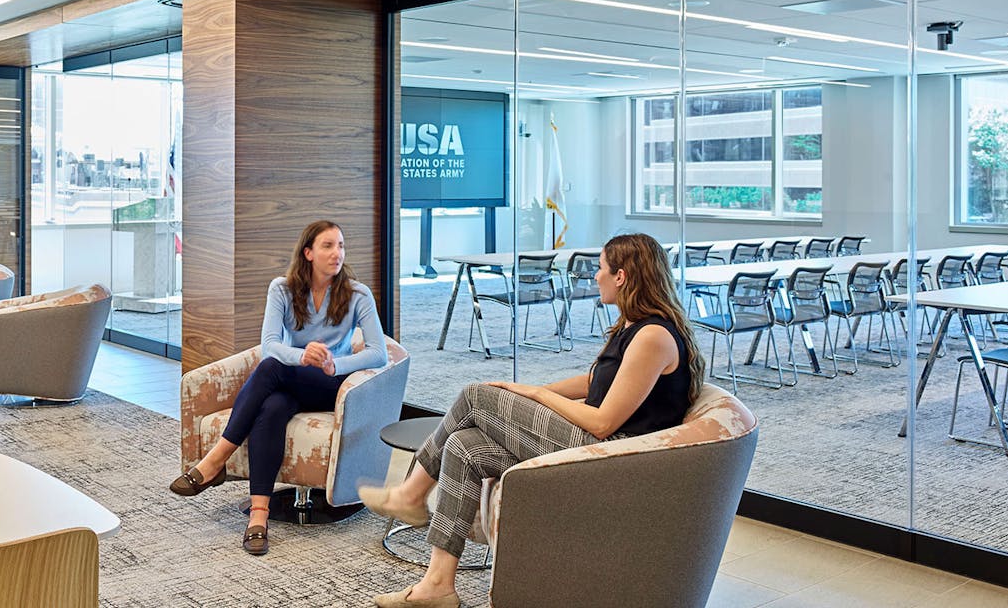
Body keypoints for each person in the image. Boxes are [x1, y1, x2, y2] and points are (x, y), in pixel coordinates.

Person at [360, 232, 705, 608]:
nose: (595, 277)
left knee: (476, 396)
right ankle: (437, 586)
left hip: (611, 458)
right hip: (598, 447)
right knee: (464, 447)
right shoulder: (633, 327)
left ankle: (411, 493)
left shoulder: (653, 336)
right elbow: (596, 382)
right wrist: (529, 391)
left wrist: (538, 396)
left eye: (601, 269)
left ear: (621, 276)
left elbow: (604, 422)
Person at [169, 220, 388, 556]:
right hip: (293, 378)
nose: (337, 253)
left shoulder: (357, 294)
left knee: (271, 369)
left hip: (332, 386)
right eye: (328, 246)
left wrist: (335, 365)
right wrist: (302, 356)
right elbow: (269, 344)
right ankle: (259, 517)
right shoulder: (282, 290)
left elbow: (379, 352)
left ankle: (215, 459)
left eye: (341, 245)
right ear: (308, 253)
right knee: (271, 407)